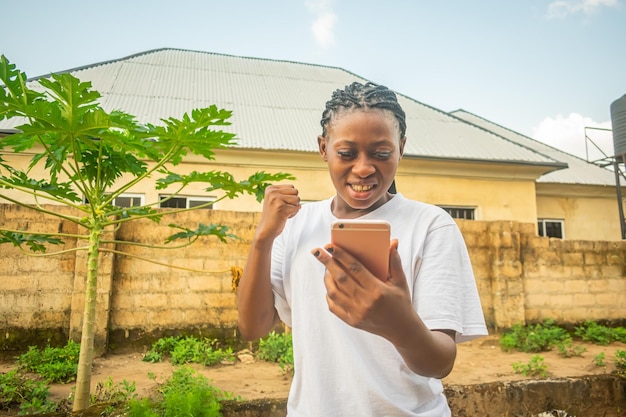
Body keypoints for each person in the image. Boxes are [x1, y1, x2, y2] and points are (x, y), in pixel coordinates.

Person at [237, 81, 487, 416]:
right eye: (347, 153)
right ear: (323, 148)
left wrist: (399, 324)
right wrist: (263, 239)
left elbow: (440, 362)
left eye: (381, 153)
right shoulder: (296, 224)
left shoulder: (430, 225)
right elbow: (253, 328)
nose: (364, 167)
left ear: (401, 147)